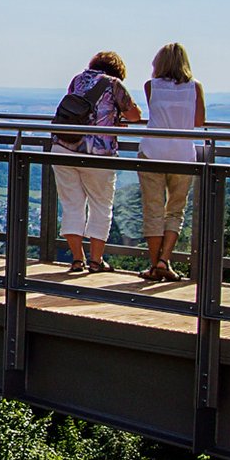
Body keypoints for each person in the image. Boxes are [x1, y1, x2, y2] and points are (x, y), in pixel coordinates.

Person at [53, 51, 143, 274]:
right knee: (101, 206)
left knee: (72, 204)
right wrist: (116, 119)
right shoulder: (114, 84)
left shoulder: (77, 80)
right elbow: (135, 116)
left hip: (63, 147)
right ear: (118, 71)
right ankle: (96, 261)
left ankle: (76, 259)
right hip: (98, 153)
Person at [138, 42, 205, 281]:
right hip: (183, 154)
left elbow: (154, 113)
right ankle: (165, 260)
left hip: (153, 151)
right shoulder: (195, 87)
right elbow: (199, 121)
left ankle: (155, 265)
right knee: (175, 210)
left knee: (153, 210)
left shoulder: (151, 86)